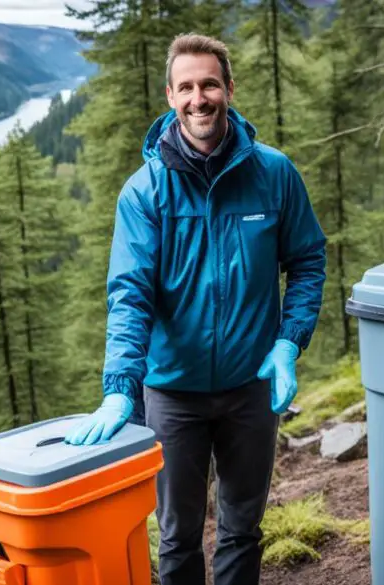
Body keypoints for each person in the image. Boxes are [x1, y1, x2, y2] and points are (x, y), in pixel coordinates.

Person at [65, 32, 327, 585]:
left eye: (209, 84)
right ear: (170, 96)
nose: (198, 97)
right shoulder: (145, 192)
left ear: (229, 88)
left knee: (242, 527)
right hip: (172, 395)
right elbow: (129, 294)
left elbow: (306, 261)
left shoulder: (274, 174)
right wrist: (119, 387)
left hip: (252, 387)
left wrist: (288, 341)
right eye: (186, 87)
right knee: (178, 536)